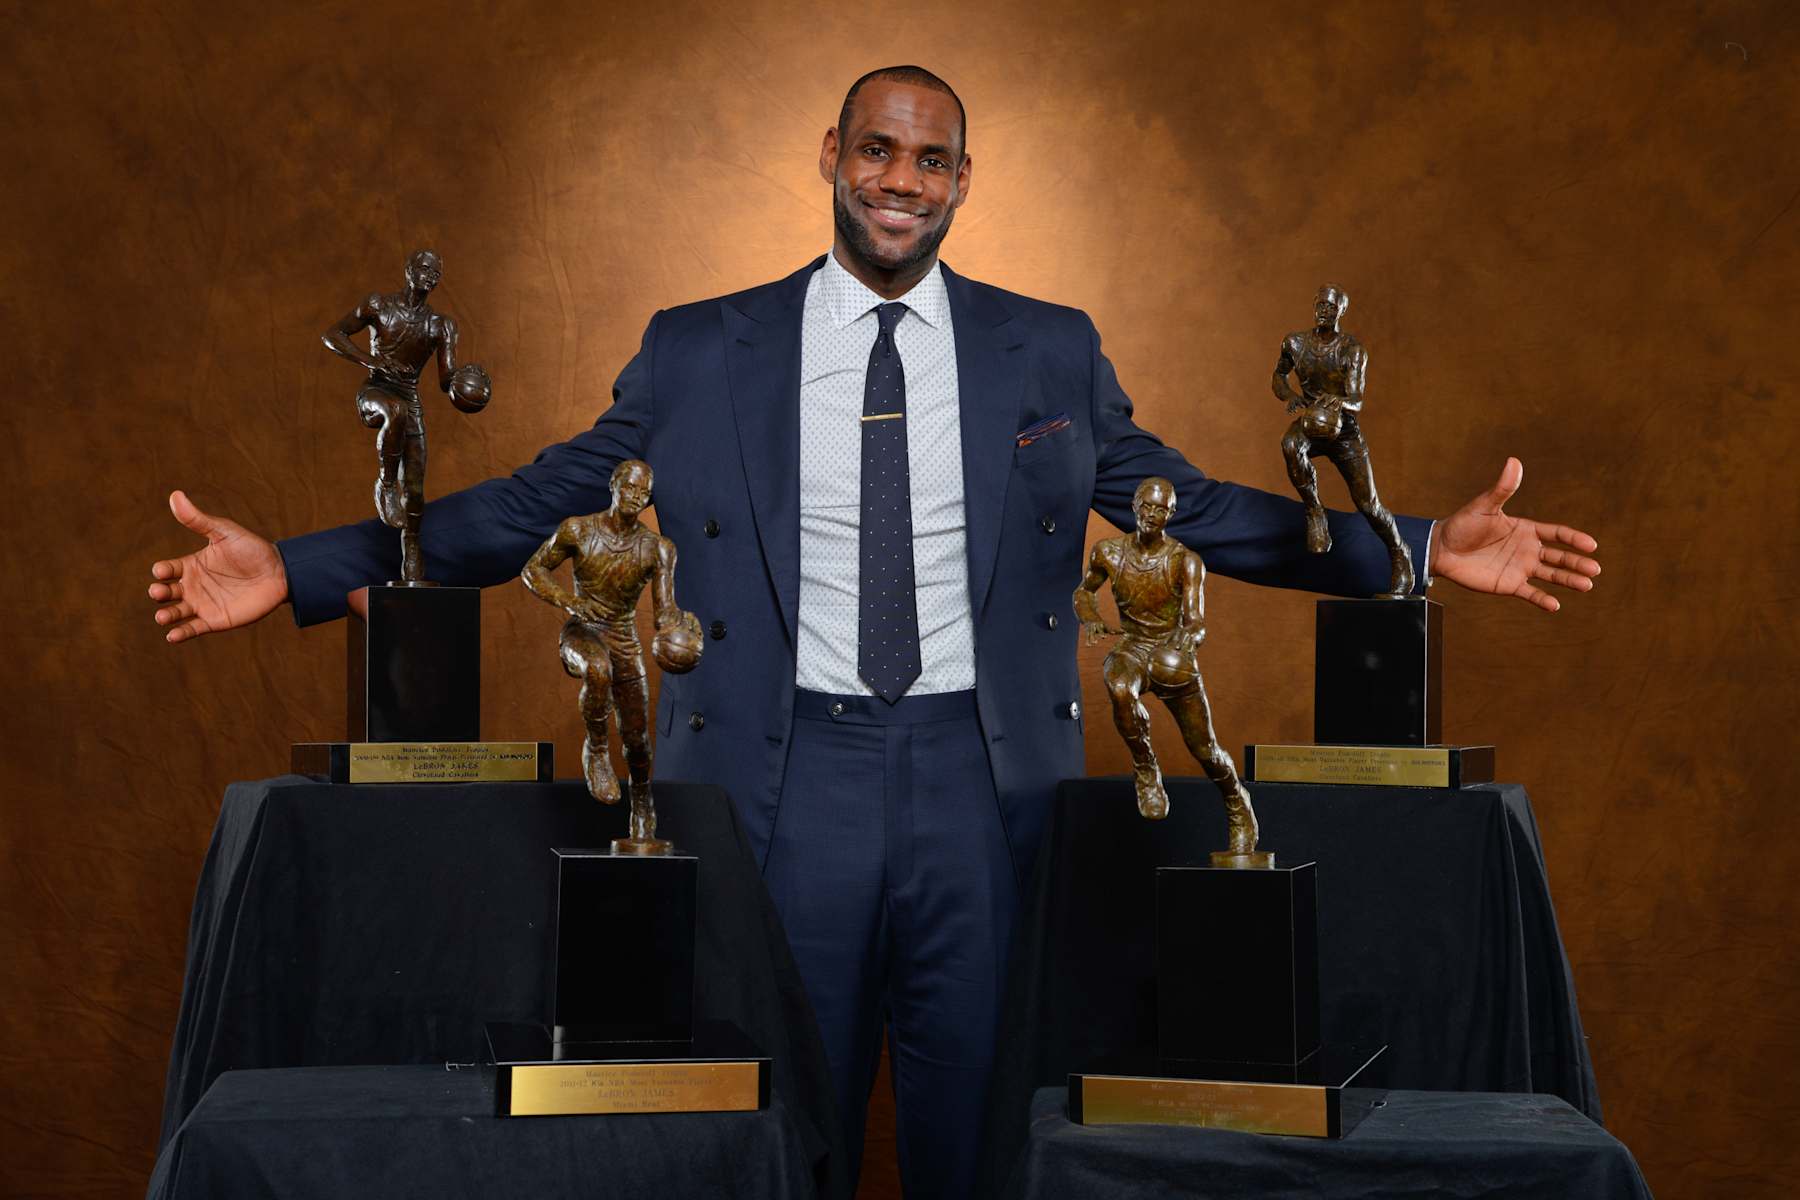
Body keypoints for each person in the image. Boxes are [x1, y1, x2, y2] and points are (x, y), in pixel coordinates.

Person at [149, 66, 1601, 1199]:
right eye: (875, 151)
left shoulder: (1048, 346)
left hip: (990, 796)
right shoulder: (702, 344)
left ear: (965, 179)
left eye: (930, 158)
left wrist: (1410, 546)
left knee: (982, 1142)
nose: (900, 180)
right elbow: (535, 504)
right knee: (788, 1133)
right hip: (785, 786)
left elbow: (1202, 509)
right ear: (831, 161)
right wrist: (291, 569)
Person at [1073, 477, 1261, 865]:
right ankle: (1146, 769)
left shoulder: (1185, 561)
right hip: (1133, 648)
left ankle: (1236, 800)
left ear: (1170, 514)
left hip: (1171, 652)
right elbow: (1084, 590)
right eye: (1147, 506)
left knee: (1205, 750)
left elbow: (1196, 620)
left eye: (1161, 509)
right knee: (1120, 685)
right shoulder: (1108, 552)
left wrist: (1189, 638)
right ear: (1135, 505)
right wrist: (1090, 617)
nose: (1152, 515)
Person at [521, 458, 703, 852]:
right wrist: (568, 601)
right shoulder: (578, 530)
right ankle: (598, 750)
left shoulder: (657, 549)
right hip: (582, 632)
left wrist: (685, 627)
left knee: (638, 740)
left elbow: (665, 613)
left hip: (623, 638)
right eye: (630, 488)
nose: (636, 497)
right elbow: (534, 570)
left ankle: (641, 802)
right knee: (598, 670)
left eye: (644, 492)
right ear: (614, 485)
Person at [1274, 283, 1413, 596]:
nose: (1325, 311)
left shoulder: (1352, 350)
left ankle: (1399, 551)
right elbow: (1278, 375)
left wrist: (1342, 403)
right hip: (1311, 421)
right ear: (1314, 306)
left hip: (1343, 430)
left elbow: (1358, 399)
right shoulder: (1295, 343)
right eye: (1321, 304)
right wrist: (1291, 396)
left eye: (1332, 307)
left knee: (1369, 504)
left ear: (1341, 311)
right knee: (1290, 444)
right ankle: (1314, 511)